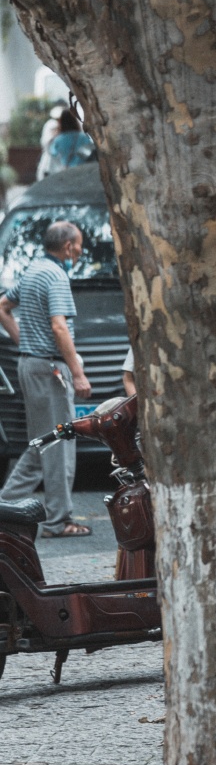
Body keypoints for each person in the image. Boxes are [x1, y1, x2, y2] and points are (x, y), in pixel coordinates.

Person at [0, 221, 92, 537]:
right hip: (49, 370)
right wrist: (77, 374)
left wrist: (23, 342)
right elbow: (59, 327)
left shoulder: (33, 270)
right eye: (78, 245)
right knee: (59, 443)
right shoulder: (56, 276)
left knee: (43, 443)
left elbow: (3, 306)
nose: (80, 251)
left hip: (31, 366)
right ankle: (58, 521)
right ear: (68, 246)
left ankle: (4, 506)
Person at [44, 109, 94, 175]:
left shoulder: (58, 139)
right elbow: (91, 151)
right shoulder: (83, 137)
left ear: (61, 122)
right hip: (83, 171)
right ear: (75, 121)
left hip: (66, 171)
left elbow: (53, 153)